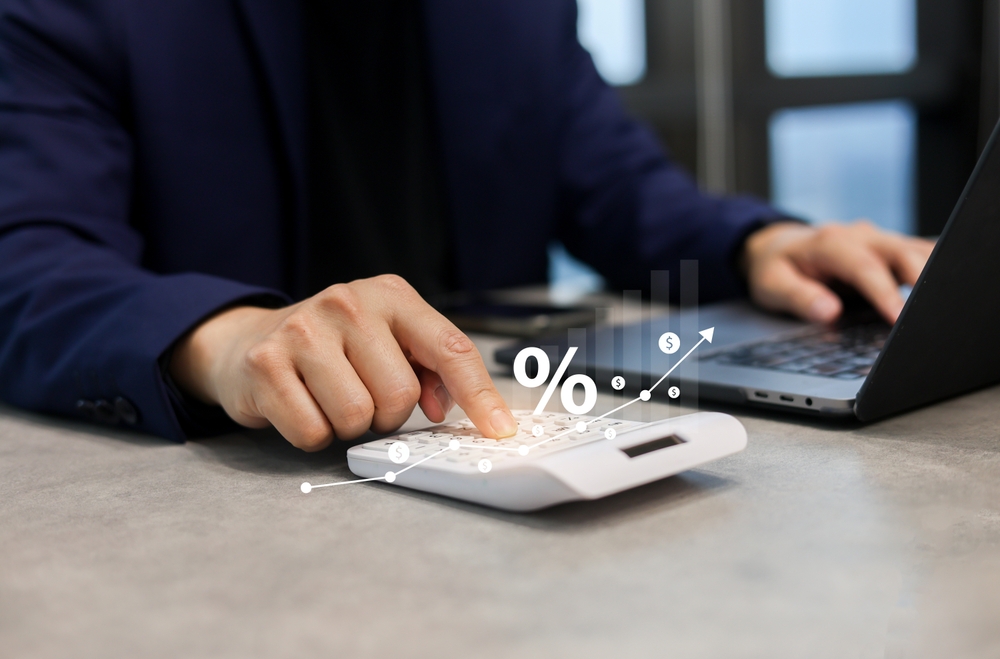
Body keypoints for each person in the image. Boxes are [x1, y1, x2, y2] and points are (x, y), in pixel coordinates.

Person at [0, 0, 933, 451]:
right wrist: (231, 338)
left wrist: (761, 244)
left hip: (488, 469)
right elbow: (30, 262)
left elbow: (617, 185)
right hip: (227, 507)